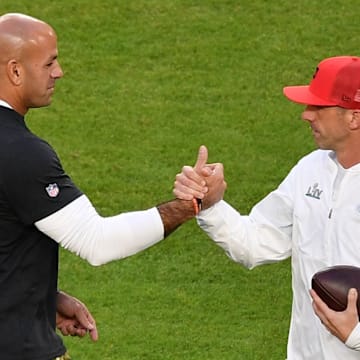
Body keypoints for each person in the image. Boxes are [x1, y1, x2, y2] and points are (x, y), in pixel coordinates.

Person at [0, 12, 199, 360]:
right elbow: (97, 242)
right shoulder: (21, 153)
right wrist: (188, 206)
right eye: (49, 63)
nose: (59, 72)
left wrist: (44, 297)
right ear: (15, 71)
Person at [173, 56, 360, 359]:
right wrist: (209, 204)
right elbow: (256, 243)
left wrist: (357, 337)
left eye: (318, 107)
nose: (306, 115)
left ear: (354, 117)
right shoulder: (309, 171)